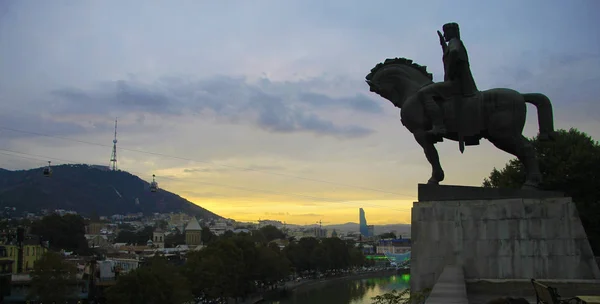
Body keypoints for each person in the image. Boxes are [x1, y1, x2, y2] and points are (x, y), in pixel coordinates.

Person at [417, 22, 478, 136]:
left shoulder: (454, 42)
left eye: (446, 33)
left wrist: (451, 70)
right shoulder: (453, 43)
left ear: (452, 32)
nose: (444, 36)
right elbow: (449, 52)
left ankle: (439, 126)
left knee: (423, 93)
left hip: (456, 83)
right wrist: (442, 45)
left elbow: (454, 52)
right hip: (457, 82)